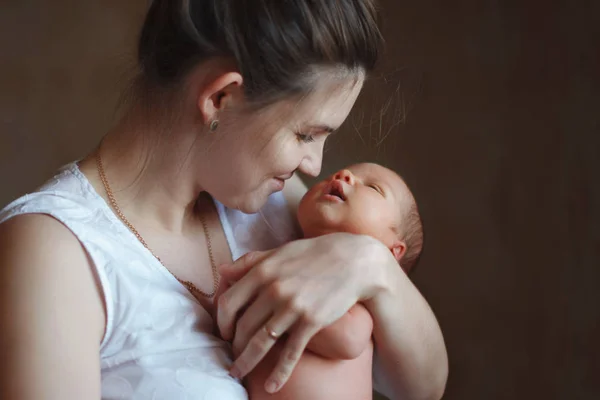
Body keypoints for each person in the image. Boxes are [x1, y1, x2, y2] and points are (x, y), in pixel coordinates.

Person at [0, 1, 448, 399]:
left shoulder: (287, 207)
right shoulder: (55, 253)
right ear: (221, 97)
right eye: (305, 134)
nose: (315, 165)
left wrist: (372, 265)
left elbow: (420, 387)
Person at [245, 162, 424, 400]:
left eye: (373, 188)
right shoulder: (286, 257)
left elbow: (348, 338)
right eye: (336, 173)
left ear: (393, 252)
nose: (345, 175)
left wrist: (269, 305)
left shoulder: (354, 291)